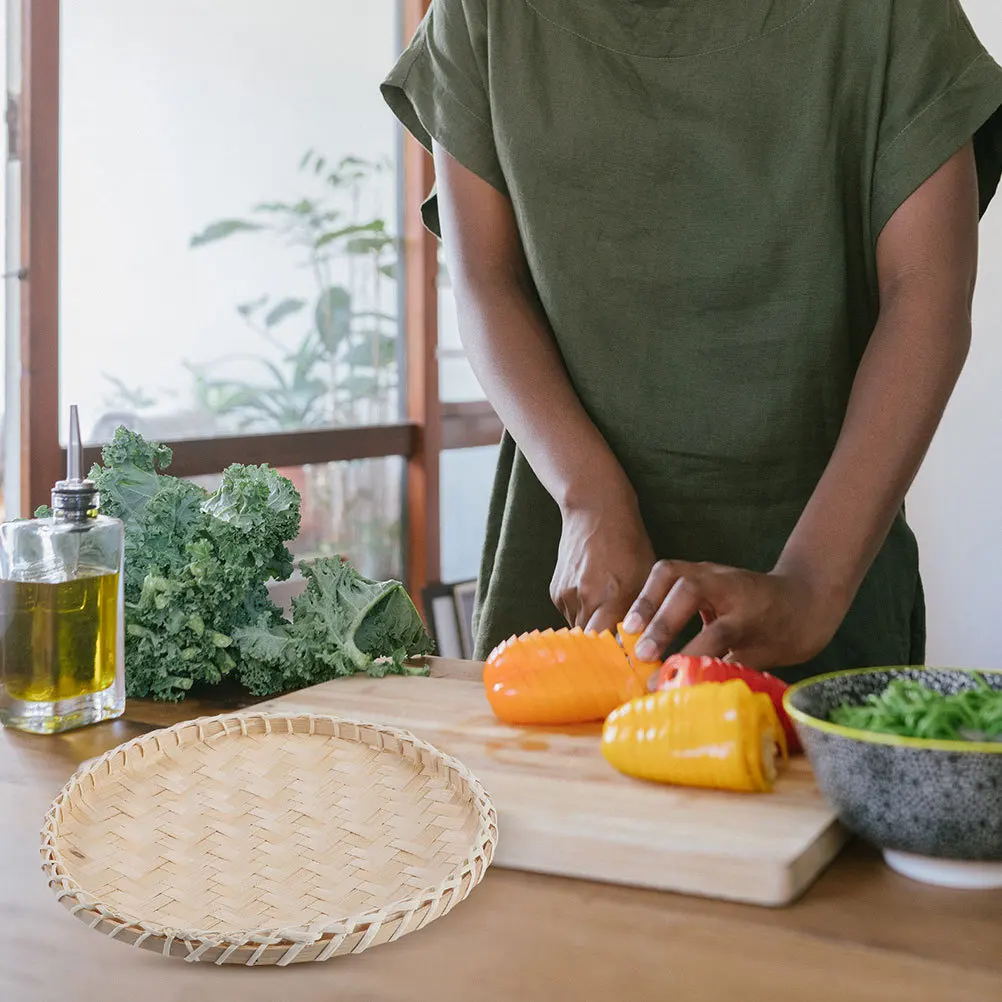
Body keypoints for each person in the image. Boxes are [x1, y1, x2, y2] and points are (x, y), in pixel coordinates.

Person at [382, 0, 1002, 682]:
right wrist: (588, 495)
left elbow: (926, 294)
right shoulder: (481, 13)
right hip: (570, 558)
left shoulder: (891, 15)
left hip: (827, 559)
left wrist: (811, 584)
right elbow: (484, 280)